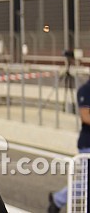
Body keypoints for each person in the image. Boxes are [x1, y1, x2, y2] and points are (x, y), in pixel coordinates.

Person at [49, 77, 90, 212]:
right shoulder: (85, 90)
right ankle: (58, 199)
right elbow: (85, 116)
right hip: (87, 144)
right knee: (86, 183)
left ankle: (58, 199)